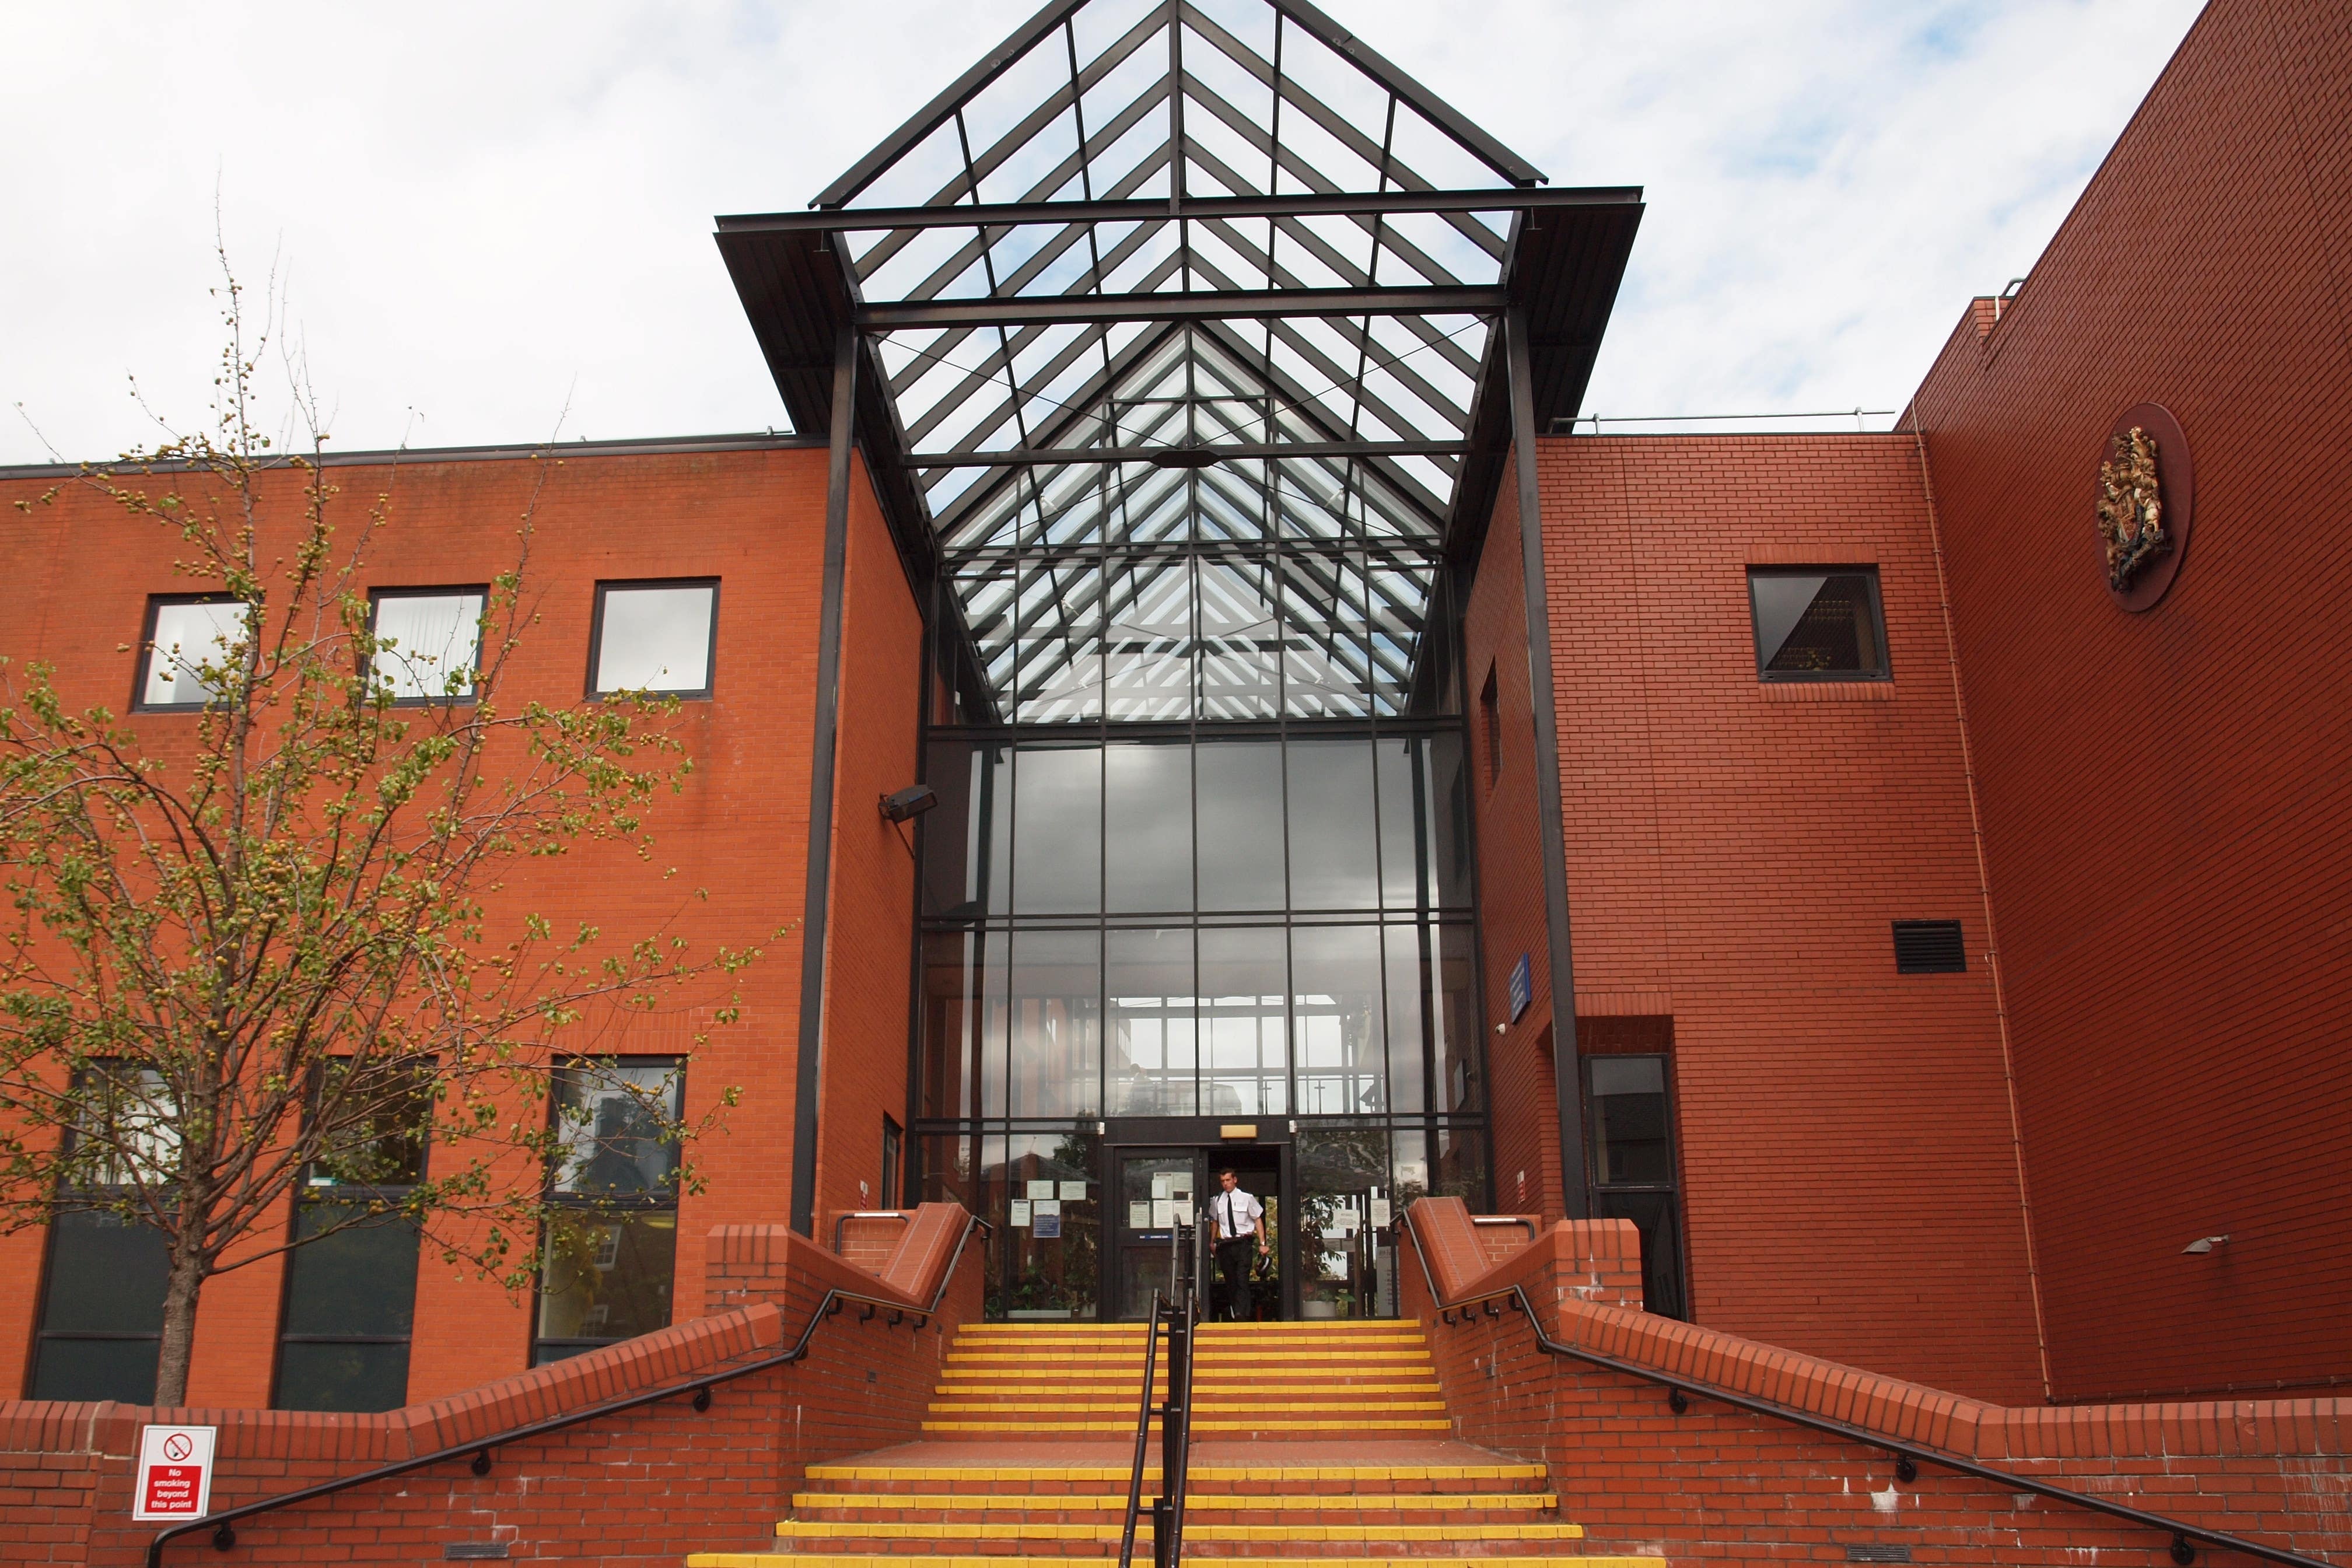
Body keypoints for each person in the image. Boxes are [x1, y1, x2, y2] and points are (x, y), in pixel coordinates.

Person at [1209, 1168, 1268, 1321]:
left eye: (1228, 1180)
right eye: (1223, 1181)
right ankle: (1236, 1311)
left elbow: (1258, 1220)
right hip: (1226, 1244)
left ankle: (1242, 1314)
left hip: (1243, 1243)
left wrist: (1263, 1243)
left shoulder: (1247, 1198)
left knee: (1242, 1278)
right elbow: (1215, 1222)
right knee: (1231, 1280)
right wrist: (1212, 1241)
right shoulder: (1217, 1201)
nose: (1226, 1184)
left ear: (1235, 1180)